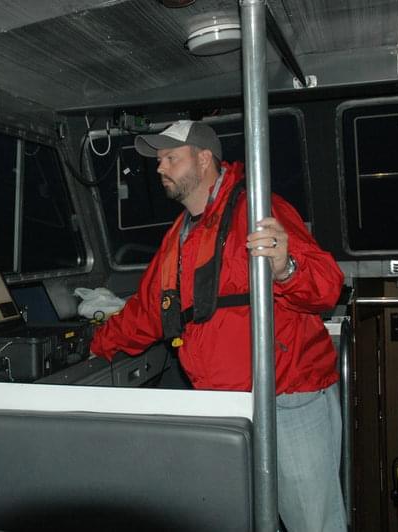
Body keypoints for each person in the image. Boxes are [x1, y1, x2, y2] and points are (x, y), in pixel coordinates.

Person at [89, 120, 347, 531]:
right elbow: (150, 311)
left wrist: (287, 267)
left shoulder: (259, 210)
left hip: (286, 398)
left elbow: (327, 286)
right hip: (225, 408)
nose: (161, 168)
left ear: (205, 158)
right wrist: (96, 344)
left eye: (171, 157)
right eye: (158, 161)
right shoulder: (180, 235)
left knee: (313, 524)